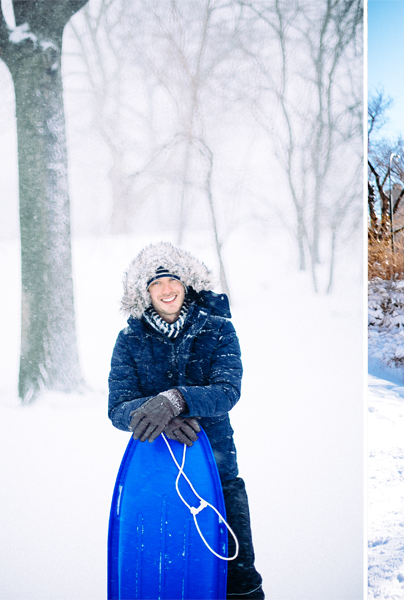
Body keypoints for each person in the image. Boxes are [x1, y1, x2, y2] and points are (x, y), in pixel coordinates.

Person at [108, 242, 264, 599]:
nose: (166, 289)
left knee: (238, 579)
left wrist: (175, 400)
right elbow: (117, 407)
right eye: (155, 283)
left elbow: (227, 391)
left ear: (186, 283)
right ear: (144, 292)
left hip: (217, 473)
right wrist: (159, 416)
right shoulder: (129, 339)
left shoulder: (218, 329)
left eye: (172, 280)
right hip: (154, 476)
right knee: (168, 575)